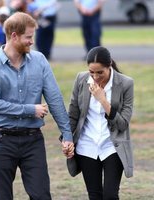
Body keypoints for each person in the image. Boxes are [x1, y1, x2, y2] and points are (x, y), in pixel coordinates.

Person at [0, 12, 74, 200]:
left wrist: (67, 134)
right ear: (14, 35)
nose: (32, 41)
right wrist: (31, 109)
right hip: (1, 141)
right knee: (2, 196)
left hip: (33, 141)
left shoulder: (39, 61)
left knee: (41, 196)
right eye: (28, 37)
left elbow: (54, 99)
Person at [64, 46, 134, 199]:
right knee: (94, 195)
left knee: (110, 195)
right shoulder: (81, 80)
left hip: (112, 146)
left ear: (109, 67)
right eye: (91, 72)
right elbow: (73, 115)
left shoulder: (126, 84)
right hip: (87, 144)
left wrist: (103, 100)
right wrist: (66, 139)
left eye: (100, 72)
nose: (95, 77)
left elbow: (122, 125)